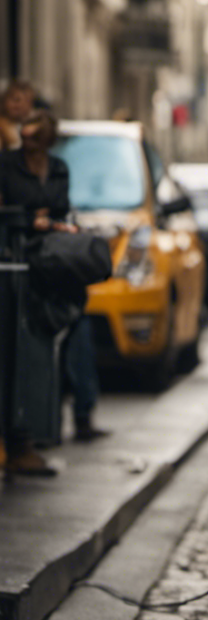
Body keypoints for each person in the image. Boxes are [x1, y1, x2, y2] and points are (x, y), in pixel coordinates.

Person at [0, 110, 75, 476]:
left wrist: (49, 220)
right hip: (12, 266)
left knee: (45, 346)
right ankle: (17, 441)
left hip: (46, 266)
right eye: (25, 139)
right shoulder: (6, 164)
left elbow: (61, 208)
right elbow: (9, 211)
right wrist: (32, 219)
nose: (28, 144)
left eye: (35, 140)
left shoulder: (58, 167)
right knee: (15, 351)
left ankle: (31, 436)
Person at [0, 80, 35, 151]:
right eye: (16, 100)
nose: (20, 105)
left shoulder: (31, 125)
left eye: (26, 101)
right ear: (4, 101)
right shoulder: (2, 126)